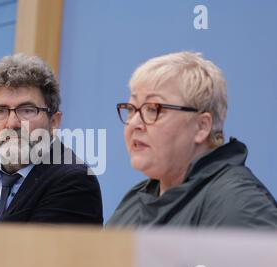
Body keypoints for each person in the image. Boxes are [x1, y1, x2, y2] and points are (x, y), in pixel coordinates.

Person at [107, 51, 277, 228]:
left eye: (153, 109)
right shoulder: (134, 201)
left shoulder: (240, 204)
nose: (135, 123)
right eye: (132, 109)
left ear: (201, 126)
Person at [0, 53, 103, 224]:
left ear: (54, 121)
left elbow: (30, 251)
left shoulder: (75, 181)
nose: (12, 124)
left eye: (27, 110)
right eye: (0, 111)